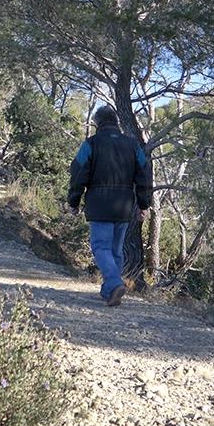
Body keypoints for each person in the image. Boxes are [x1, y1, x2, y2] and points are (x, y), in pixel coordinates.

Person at [67, 105, 153, 306]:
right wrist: (143, 204)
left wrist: (74, 201)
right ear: (116, 122)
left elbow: (78, 174)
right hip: (124, 206)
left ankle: (114, 283)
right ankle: (109, 292)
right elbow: (145, 174)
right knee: (116, 251)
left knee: (100, 247)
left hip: (99, 205)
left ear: (97, 123)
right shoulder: (133, 145)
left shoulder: (91, 144)